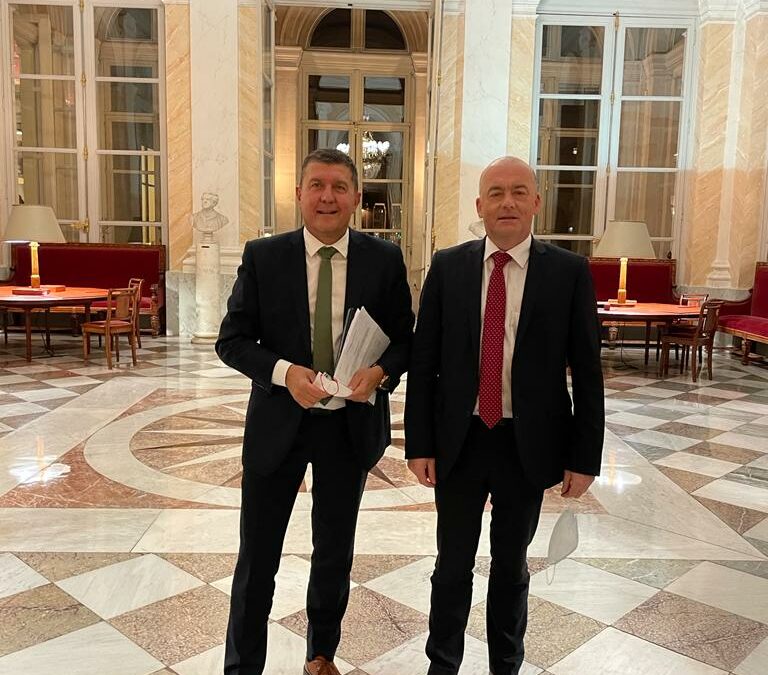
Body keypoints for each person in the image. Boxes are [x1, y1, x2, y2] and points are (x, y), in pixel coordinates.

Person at [216, 148, 414, 675]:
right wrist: (285, 373)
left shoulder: (383, 259)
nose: (328, 197)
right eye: (318, 185)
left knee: (333, 553)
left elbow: (405, 340)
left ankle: (320, 656)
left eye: (340, 187)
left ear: (356, 197)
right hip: (278, 425)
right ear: (299, 193)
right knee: (257, 558)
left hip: (347, 427)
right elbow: (231, 340)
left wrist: (380, 372)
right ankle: (243, 666)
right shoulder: (264, 256)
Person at [405, 156, 604, 674]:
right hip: (460, 440)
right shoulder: (448, 267)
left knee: (512, 566)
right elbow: (424, 363)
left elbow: (587, 371)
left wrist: (585, 458)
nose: (507, 202)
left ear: (536, 202)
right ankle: (442, 665)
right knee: (452, 564)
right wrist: (419, 444)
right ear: (480, 205)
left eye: (519, 192)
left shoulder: (568, 272)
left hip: (527, 443)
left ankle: (506, 665)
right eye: (496, 193)